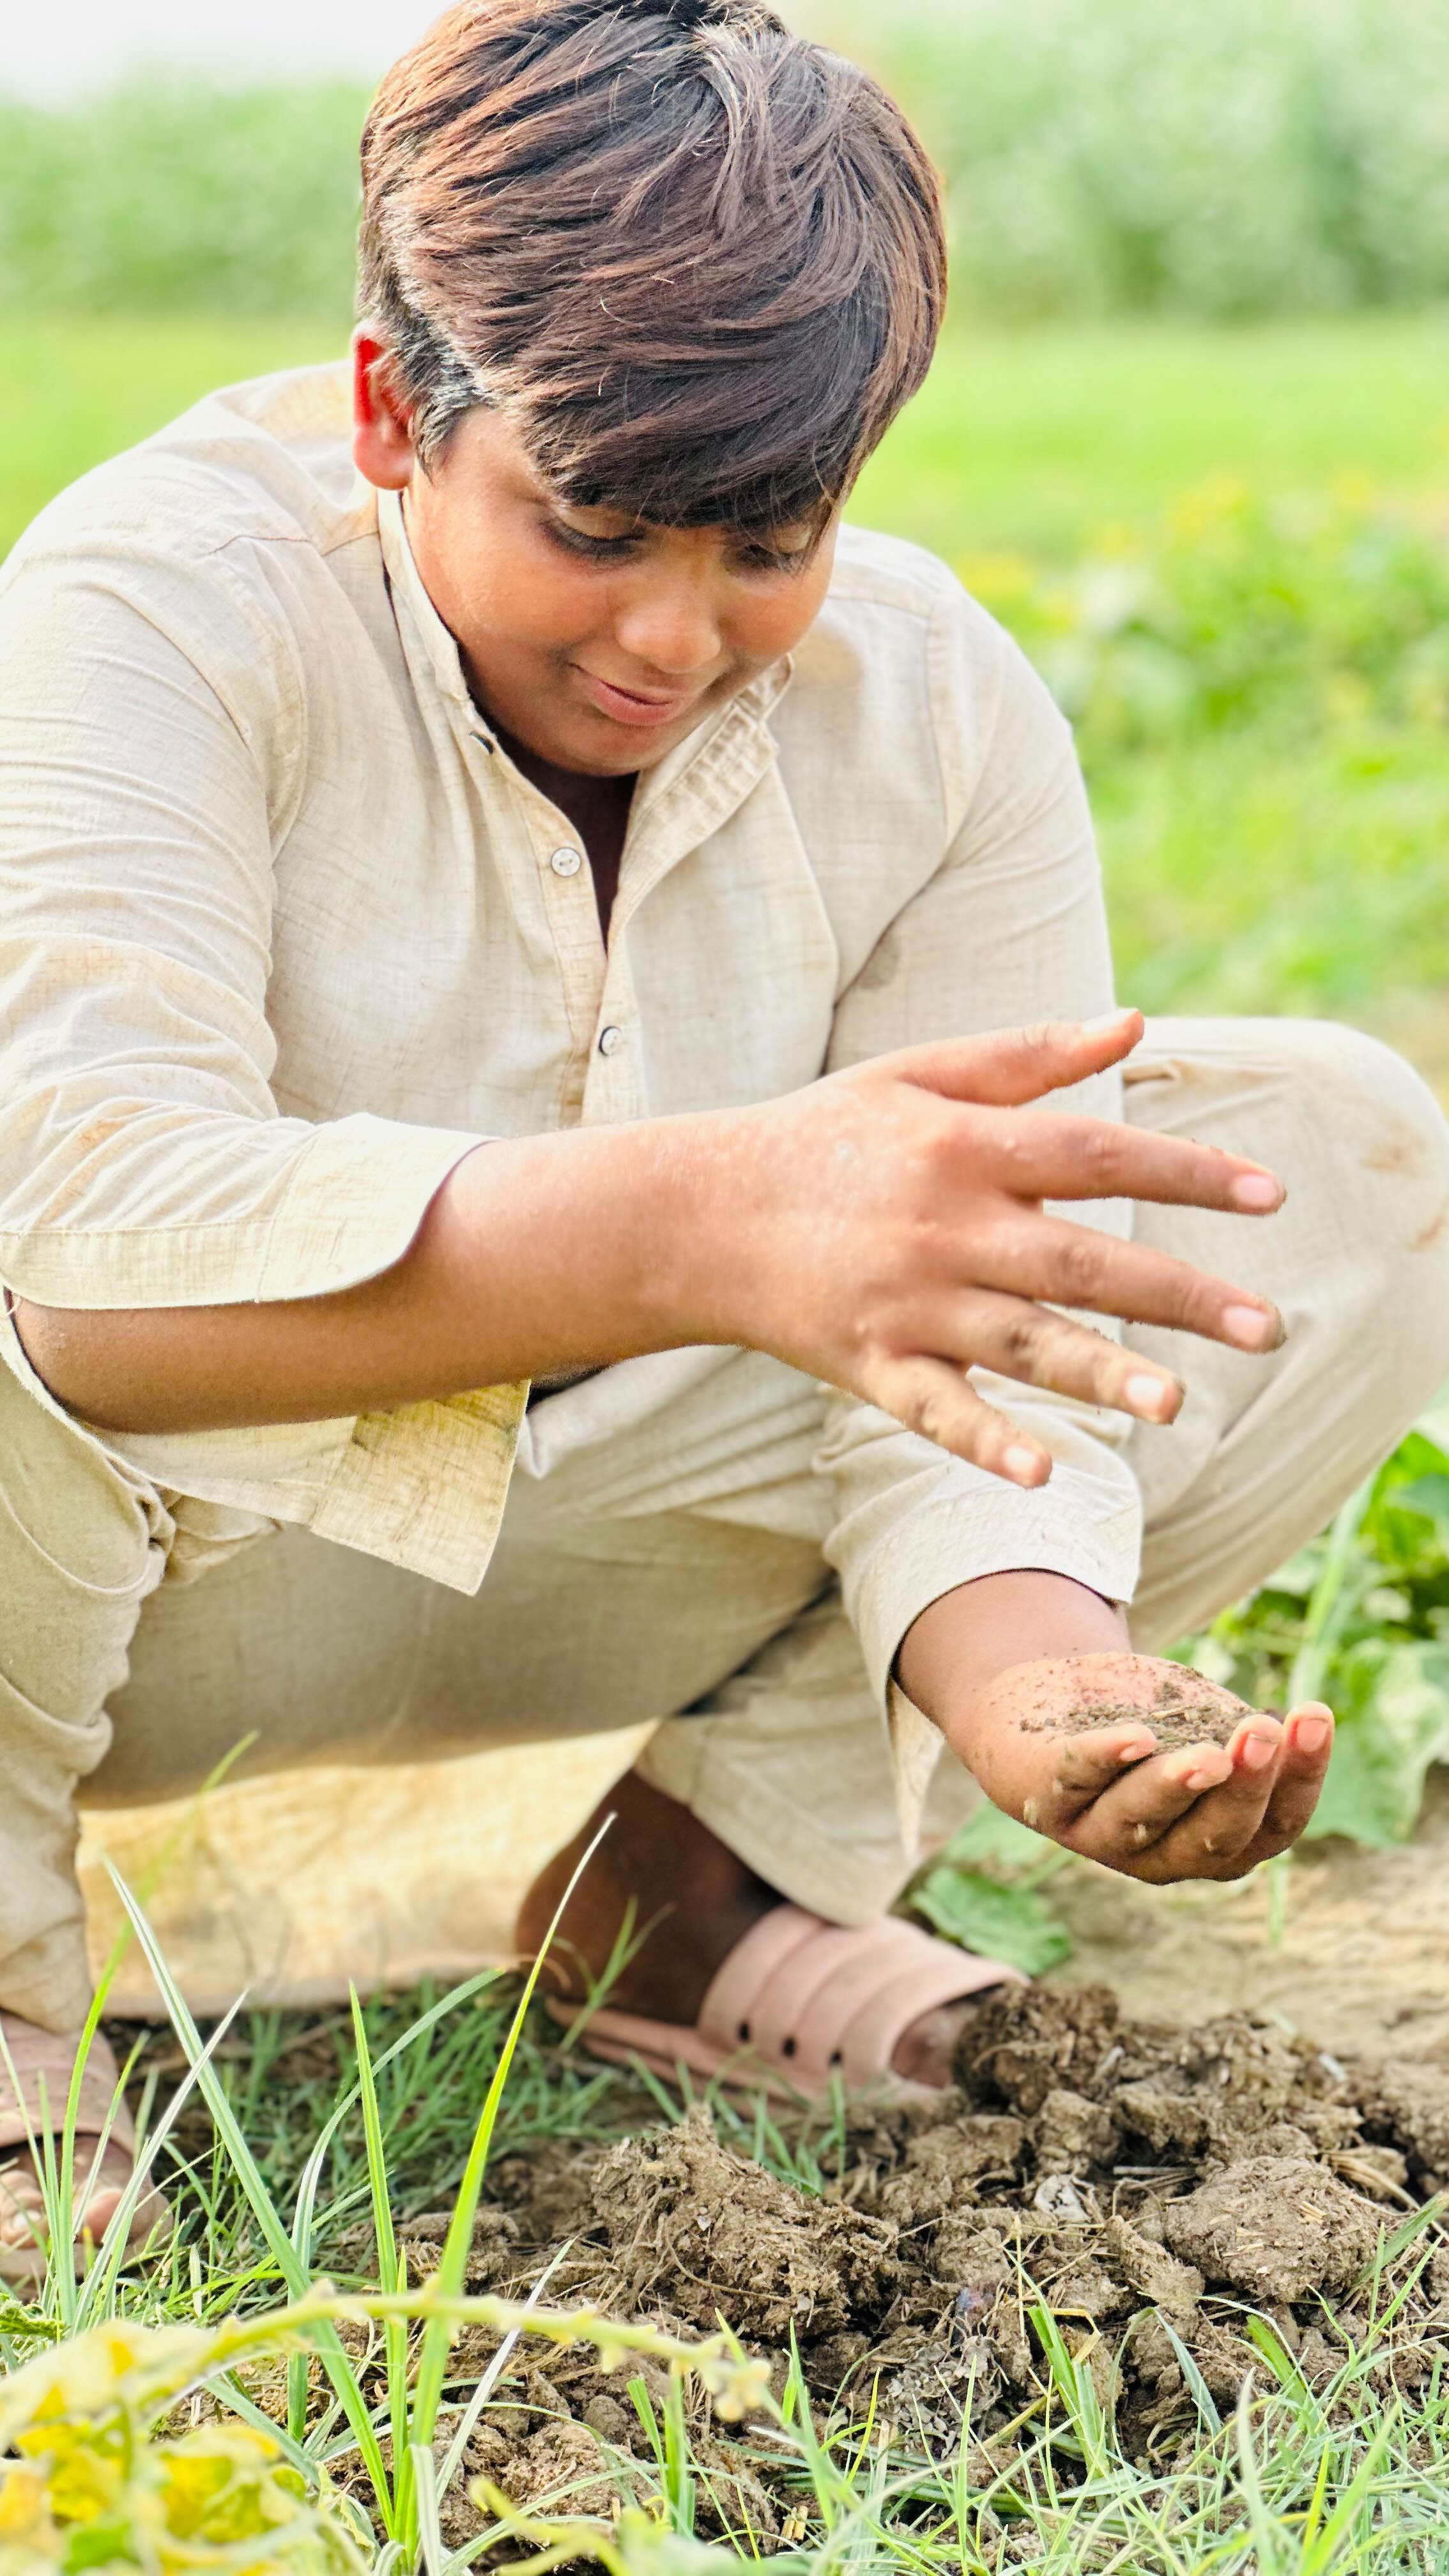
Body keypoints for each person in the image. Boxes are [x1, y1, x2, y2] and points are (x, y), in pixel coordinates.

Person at [1, 0, 1448, 2276]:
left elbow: (998, 1331)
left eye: (770, 543)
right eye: (592, 528)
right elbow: (84, 1257)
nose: (672, 637)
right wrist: (711, 1223)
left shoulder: (929, 700)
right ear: (390, 412)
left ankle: (709, 1899)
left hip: (607, 1536)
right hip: (139, 1564)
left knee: (1334, 1156)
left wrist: (1036, 1686)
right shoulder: (155, 604)